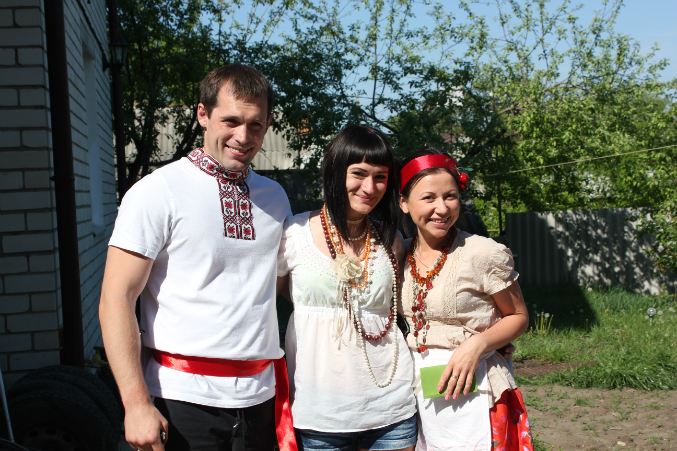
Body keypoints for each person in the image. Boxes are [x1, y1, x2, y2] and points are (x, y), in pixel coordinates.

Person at [99, 64, 297, 451]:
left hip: (262, 398)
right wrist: (135, 404)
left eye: (256, 125)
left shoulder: (275, 197)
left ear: (268, 123)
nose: (243, 137)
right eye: (231, 121)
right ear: (203, 114)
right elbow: (116, 298)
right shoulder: (158, 191)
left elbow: (278, 286)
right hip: (182, 400)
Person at [277, 125, 419, 451]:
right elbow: (268, 299)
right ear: (336, 171)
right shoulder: (294, 232)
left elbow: (414, 303)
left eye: (381, 177)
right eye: (359, 173)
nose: (370, 187)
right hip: (320, 413)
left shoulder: (391, 239)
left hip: (392, 406)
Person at [398, 147, 533, 451]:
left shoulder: (483, 253)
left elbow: (518, 316)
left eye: (450, 196)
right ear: (403, 203)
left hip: (476, 391)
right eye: (428, 198)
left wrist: (478, 344)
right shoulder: (399, 254)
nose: (442, 208)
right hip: (417, 394)